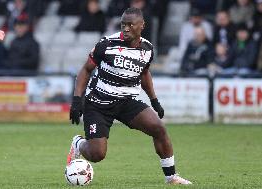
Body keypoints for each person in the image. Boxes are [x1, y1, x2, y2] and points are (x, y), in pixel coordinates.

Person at [67, 7, 192, 185]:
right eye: (123, 24)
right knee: (97, 155)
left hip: (127, 102)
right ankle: (78, 143)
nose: (125, 28)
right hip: (98, 103)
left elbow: (144, 74)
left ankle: (171, 177)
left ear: (142, 25)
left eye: (130, 25)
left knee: (159, 128)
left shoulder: (147, 49)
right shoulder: (107, 44)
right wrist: (77, 100)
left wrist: (154, 101)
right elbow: (86, 70)